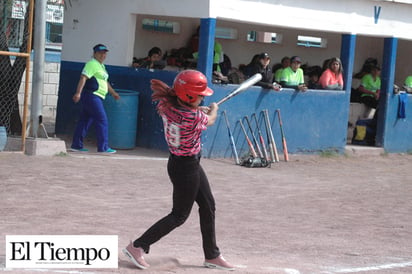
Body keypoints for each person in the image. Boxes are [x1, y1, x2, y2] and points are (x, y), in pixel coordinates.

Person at [122, 70, 235, 271]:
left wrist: (201, 107)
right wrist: (214, 109)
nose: (203, 97)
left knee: (208, 205)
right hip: (186, 168)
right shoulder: (193, 117)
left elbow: (190, 110)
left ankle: (212, 255)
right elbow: (209, 120)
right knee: (179, 215)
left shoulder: (169, 105)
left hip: (182, 163)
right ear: (188, 96)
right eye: (200, 95)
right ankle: (138, 246)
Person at [69, 44, 120, 153]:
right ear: (95, 53)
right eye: (100, 53)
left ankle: (76, 145)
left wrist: (113, 93)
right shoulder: (92, 64)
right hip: (92, 96)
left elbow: (105, 82)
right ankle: (103, 147)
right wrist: (78, 93)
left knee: (85, 121)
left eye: (104, 53)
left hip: (97, 97)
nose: (103, 55)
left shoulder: (101, 66)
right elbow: (83, 77)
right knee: (102, 120)